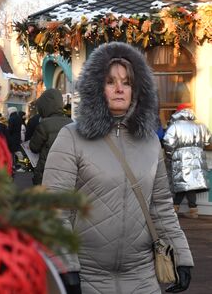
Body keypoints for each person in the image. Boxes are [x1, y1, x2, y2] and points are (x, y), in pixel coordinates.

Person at [42, 42, 193, 294]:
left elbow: (161, 205)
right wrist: (65, 267)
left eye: (127, 82)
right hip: (88, 276)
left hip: (142, 275)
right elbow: (55, 209)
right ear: (97, 88)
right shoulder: (71, 137)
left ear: (137, 89)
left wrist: (181, 255)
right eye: (111, 81)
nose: (120, 88)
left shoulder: (150, 141)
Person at [163, 103, 211, 219]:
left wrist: (170, 156)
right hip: (197, 158)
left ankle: (175, 209)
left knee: (183, 184)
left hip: (180, 158)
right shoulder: (200, 125)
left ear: (178, 112)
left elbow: (167, 143)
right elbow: (207, 141)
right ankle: (192, 210)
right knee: (190, 185)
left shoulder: (175, 126)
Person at [28, 88, 72, 185]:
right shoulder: (71, 123)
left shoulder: (44, 124)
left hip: (46, 170)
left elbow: (34, 147)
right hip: (67, 170)